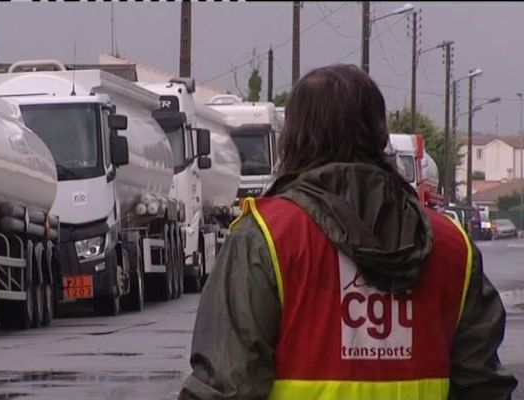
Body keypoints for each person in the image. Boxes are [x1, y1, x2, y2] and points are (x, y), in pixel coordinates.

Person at [178, 64, 517, 400]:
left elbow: (225, 387)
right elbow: (483, 385)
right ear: (380, 134)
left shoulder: (267, 239)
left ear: (293, 138)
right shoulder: (452, 247)